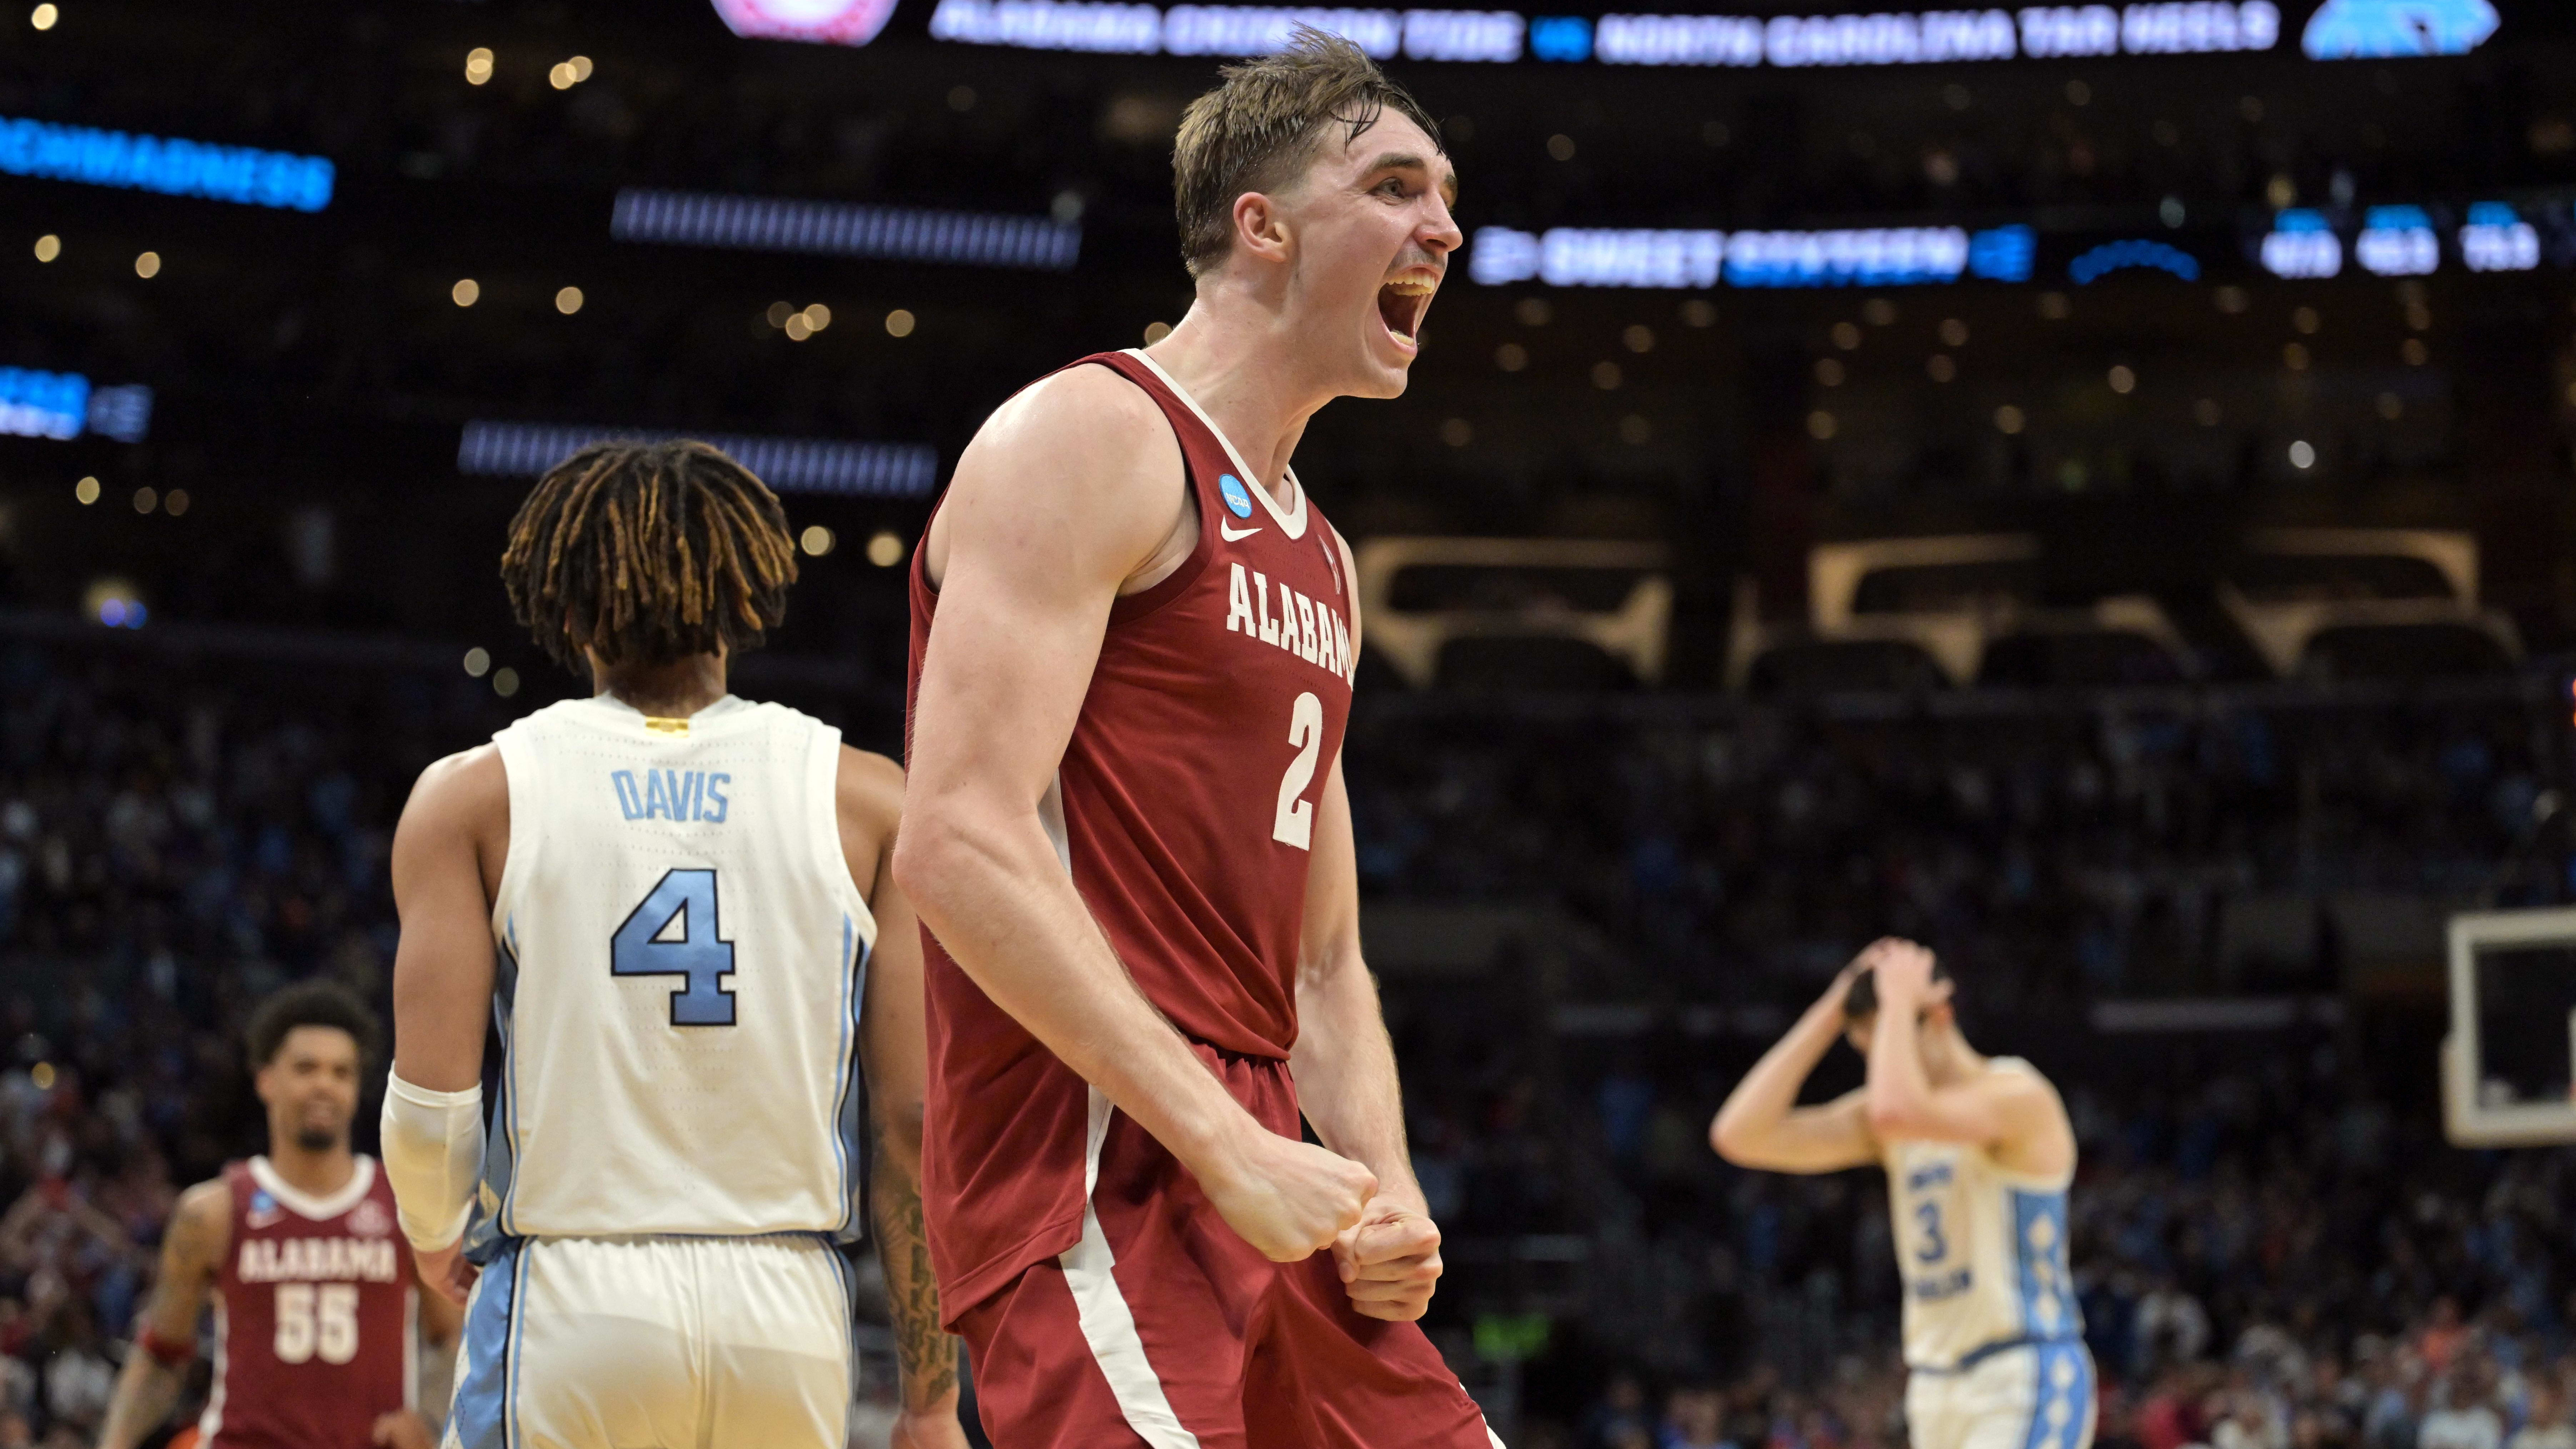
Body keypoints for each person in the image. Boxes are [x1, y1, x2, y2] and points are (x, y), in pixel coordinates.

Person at [896, 27, 1497, 1449]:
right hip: (1092, 1164)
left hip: (1263, 1169)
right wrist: (1222, 1145)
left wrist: (1388, 1183)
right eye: (1398, 187)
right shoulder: (1094, 436)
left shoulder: (1323, 559)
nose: (1445, 227)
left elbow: (1325, 964)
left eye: (1447, 195)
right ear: (1264, 226)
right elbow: (958, 841)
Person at [381, 440, 963, 1449]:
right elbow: (913, 1123)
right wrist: (931, 1399)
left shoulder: (475, 796)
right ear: (747, 596)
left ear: (562, 607)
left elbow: (434, 1107)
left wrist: (437, 1237)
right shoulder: (869, 800)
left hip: (575, 1293)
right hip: (788, 1307)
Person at [1710, 940, 2093, 1449]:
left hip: (2021, 1370)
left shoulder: (2017, 1095)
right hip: (1935, 1385)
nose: (1883, 1064)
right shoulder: (1894, 1121)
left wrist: (1896, 1001)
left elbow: (1896, 1109)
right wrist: (1830, 1010)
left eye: (1892, 1040)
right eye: (1872, 1049)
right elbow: (1739, 1135)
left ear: (1939, 1014)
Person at [95, 982, 460, 1449]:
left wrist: (430, 1420)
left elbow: (451, 1340)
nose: (325, 1084)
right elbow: (162, 1358)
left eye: (341, 1072)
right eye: (306, 1068)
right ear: (266, 1079)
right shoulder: (213, 1212)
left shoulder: (406, 1203)